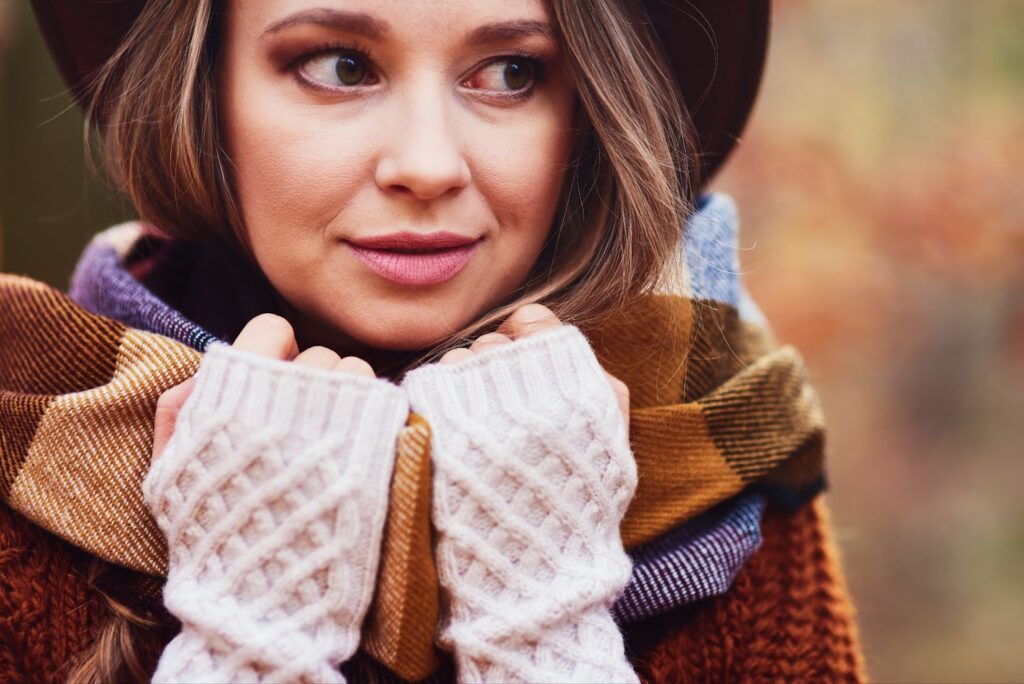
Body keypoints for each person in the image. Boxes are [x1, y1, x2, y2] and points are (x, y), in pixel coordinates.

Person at [0, 0, 865, 682]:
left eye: (509, 71)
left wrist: (544, 632)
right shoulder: (25, 471)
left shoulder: (726, 470)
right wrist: (246, 643)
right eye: (340, 66)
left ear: (590, 110)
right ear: (203, 91)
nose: (427, 164)